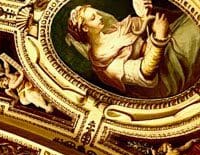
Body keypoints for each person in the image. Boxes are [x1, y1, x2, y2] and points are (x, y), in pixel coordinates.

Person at [65, 2, 200, 98]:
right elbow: (146, 71)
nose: (100, 17)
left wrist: (144, 11)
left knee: (191, 16)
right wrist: (159, 37)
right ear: (85, 28)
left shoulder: (111, 30)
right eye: (93, 18)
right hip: (166, 73)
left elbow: (139, 25)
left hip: (165, 46)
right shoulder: (106, 65)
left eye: (96, 14)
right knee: (195, 28)